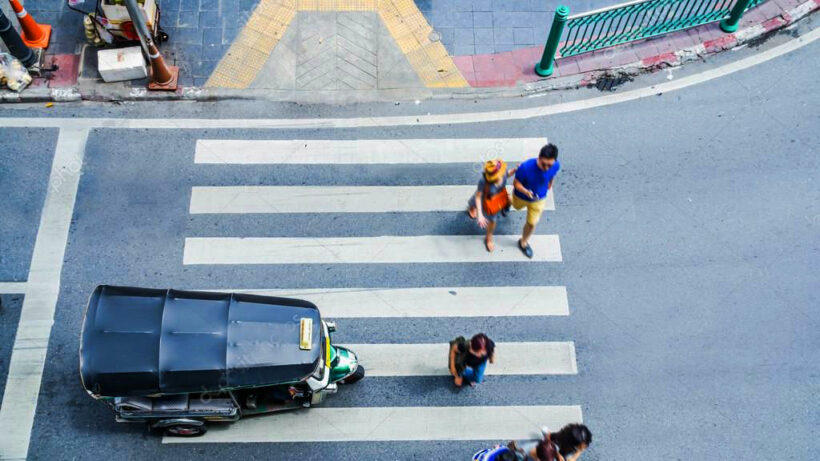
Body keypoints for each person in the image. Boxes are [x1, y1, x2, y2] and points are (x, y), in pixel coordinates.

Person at [512, 143, 560, 258]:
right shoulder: (525, 167)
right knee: (515, 206)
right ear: (539, 158)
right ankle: (507, 201)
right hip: (521, 196)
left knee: (532, 223)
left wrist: (550, 183)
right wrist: (526, 192)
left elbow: (552, 174)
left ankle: (523, 242)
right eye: (544, 164)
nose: (546, 168)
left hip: (539, 199)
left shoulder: (556, 165)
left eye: (549, 165)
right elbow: (516, 183)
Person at [467, 159, 517, 252]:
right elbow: (478, 196)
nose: (502, 175)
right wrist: (480, 215)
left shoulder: (502, 172)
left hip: (499, 195)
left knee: (507, 202)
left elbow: (507, 174)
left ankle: (488, 236)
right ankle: (489, 238)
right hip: (487, 198)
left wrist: (514, 171)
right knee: (477, 200)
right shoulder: (483, 181)